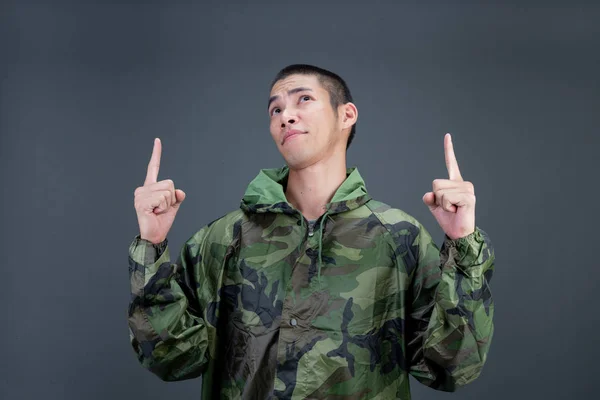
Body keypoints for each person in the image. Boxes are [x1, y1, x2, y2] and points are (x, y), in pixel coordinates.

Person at [128, 64, 495, 399]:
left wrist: (463, 244)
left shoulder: (399, 238)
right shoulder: (223, 240)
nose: (286, 116)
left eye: (303, 99)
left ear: (346, 115)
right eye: (276, 110)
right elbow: (171, 359)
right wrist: (152, 246)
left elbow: (451, 365)